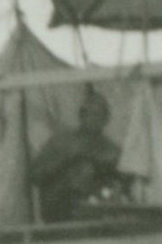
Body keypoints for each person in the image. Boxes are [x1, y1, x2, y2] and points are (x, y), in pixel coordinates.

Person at [29, 84, 136, 222]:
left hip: (96, 216)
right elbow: (35, 175)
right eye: (88, 113)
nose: (93, 119)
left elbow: (126, 186)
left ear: (106, 119)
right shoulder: (60, 142)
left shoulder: (112, 151)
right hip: (58, 213)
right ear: (81, 115)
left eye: (98, 115)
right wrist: (66, 161)